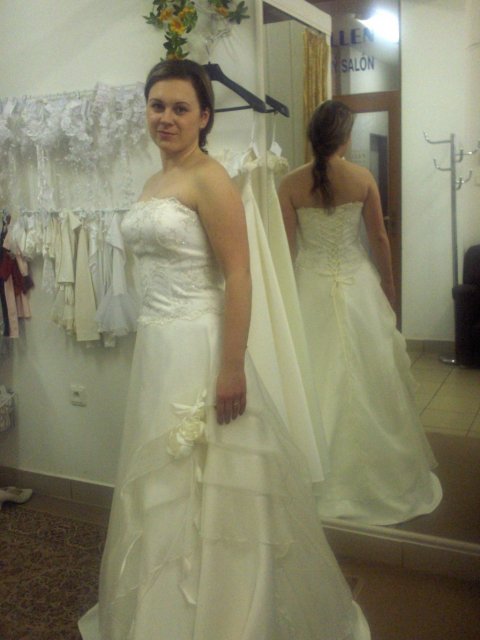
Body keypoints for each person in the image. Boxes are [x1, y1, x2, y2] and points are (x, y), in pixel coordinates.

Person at [78, 62, 370, 639]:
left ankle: (225, 614)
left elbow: (239, 275)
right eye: (157, 105)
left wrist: (232, 366)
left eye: (180, 108)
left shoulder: (211, 179)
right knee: (165, 482)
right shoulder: (154, 181)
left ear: (205, 117)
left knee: (215, 485)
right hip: (159, 347)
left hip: (202, 345)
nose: (165, 118)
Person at [278, 99, 443, 526]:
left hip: (310, 286)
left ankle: (317, 478)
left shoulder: (290, 184)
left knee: (316, 377)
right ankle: (381, 478)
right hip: (358, 286)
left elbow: (285, 250)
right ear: (346, 138)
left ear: (312, 137)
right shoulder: (362, 178)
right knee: (372, 378)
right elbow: (380, 239)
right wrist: (389, 286)